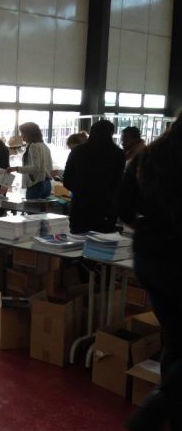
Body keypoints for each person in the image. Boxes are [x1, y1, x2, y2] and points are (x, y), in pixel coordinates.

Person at [120, 114, 182, 431]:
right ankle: (155, 411)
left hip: (148, 257)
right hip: (177, 260)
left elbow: (123, 208)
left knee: (174, 338)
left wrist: (148, 228)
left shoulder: (147, 157)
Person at [63, 120, 125, 234]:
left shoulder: (78, 151)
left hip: (80, 206)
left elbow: (67, 180)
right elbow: (118, 182)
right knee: (103, 242)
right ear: (111, 133)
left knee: (78, 240)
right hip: (106, 207)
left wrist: (80, 190)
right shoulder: (118, 153)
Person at [7, 122, 53, 200]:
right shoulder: (44, 146)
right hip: (47, 184)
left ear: (28, 133)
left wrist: (16, 168)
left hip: (36, 184)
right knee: (43, 208)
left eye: (22, 133)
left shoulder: (33, 146)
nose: (21, 136)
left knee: (31, 207)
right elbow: (49, 166)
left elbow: (35, 168)